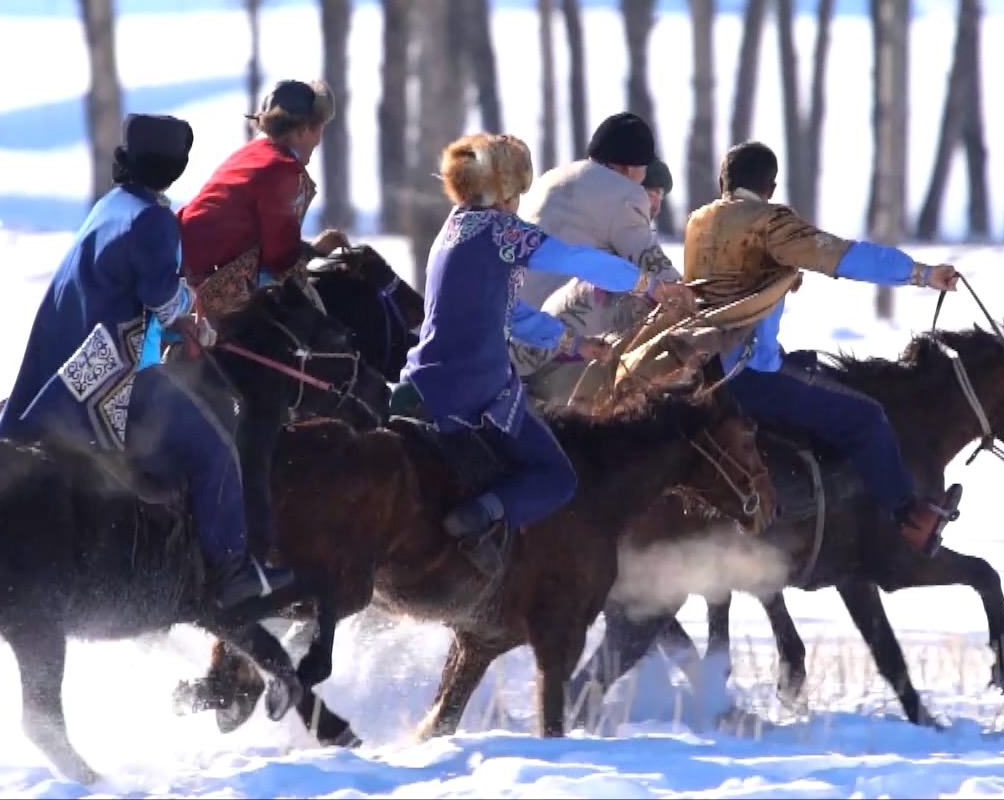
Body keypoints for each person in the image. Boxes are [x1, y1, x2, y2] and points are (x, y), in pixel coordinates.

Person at [0, 113, 301, 642]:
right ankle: (230, 573)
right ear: (174, 165)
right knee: (216, 448)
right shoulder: (155, 218)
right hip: (112, 372)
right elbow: (160, 296)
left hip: (63, 366)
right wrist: (194, 320)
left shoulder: (109, 206)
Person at [401, 133, 697, 578]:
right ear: (504, 190)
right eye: (518, 191)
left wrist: (574, 345)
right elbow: (579, 260)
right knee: (556, 478)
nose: (520, 200)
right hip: (473, 390)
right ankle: (475, 527)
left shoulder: (454, 229)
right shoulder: (502, 231)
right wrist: (649, 285)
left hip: (420, 381)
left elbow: (508, 313)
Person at [681, 140, 964, 555]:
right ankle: (911, 518)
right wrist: (921, 274)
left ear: (723, 182)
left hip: (701, 369)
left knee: (812, 371)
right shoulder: (768, 222)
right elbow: (843, 257)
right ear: (771, 188)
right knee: (867, 417)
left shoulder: (697, 221)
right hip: (750, 374)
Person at [510, 113, 683, 401]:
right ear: (630, 170)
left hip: (511, 338)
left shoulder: (551, 178)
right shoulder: (625, 193)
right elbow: (658, 273)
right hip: (555, 351)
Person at [179, 79, 350, 320]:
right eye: (318, 129)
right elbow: (280, 260)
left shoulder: (250, 154)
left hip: (181, 265)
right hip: (204, 284)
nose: (318, 140)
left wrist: (311, 250)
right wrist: (309, 257)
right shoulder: (286, 170)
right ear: (302, 130)